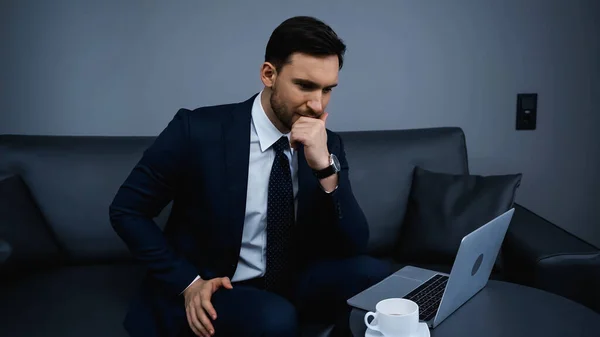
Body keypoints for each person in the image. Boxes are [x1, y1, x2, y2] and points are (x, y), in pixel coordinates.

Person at [109, 16, 391, 337]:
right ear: (269, 74)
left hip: (294, 279)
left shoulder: (326, 143)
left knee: (377, 276)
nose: (317, 104)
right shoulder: (198, 130)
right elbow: (127, 210)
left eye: (327, 89)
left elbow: (355, 244)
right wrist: (188, 282)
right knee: (275, 319)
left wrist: (325, 167)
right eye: (304, 85)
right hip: (218, 285)